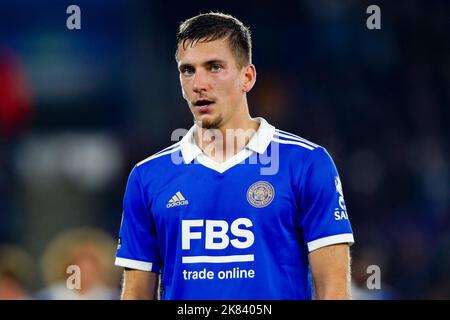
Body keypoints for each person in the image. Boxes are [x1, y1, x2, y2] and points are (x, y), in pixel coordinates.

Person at [115, 12, 354, 300]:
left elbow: (334, 292)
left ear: (247, 77)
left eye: (214, 67)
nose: (199, 83)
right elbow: (137, 294)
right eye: (187, 70)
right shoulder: (148, 176)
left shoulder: (306, 163)